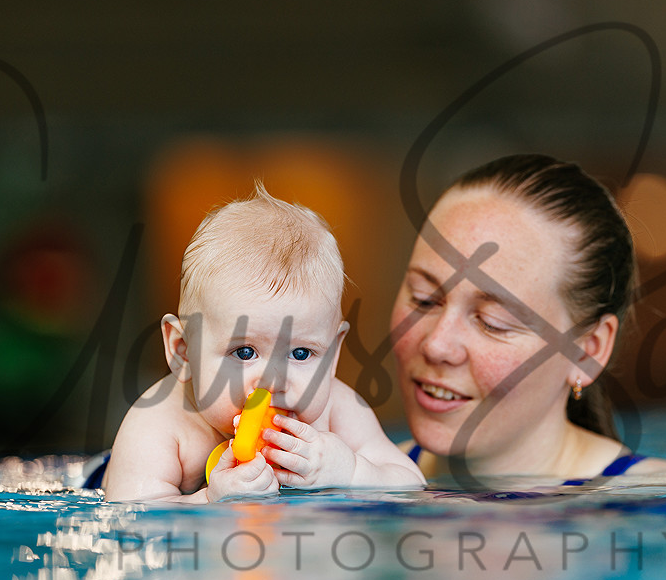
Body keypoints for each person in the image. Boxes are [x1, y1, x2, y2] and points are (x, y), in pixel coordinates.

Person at [391, 153, 666, 484]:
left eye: (492, 322)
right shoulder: (367, 478)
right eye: (423, 299)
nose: (436, 345)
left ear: (587, 351)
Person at [98, 183, 425, 502]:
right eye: (244, 352)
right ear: (183, 351)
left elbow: (411, 482)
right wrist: (210, 499)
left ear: (333, 354)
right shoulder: (160, 425)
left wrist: (351, 471)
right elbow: (133, 512)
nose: (273, 381)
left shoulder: (339, 410)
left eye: (301, 353)